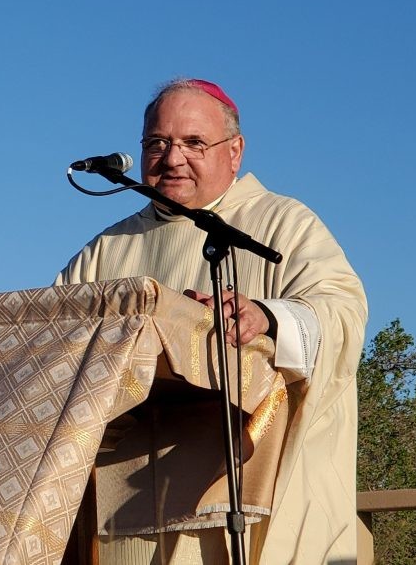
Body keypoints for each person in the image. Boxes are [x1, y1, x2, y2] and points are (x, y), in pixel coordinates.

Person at [57, 78, 368, 564]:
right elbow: (53, 344)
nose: (172, 158)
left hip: (241, 499)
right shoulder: (105, 252)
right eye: (157, 143)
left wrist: (267, 316)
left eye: (193, 143)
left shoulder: (282, 223)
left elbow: (342, 311)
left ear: (235, 151)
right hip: (122, 513)